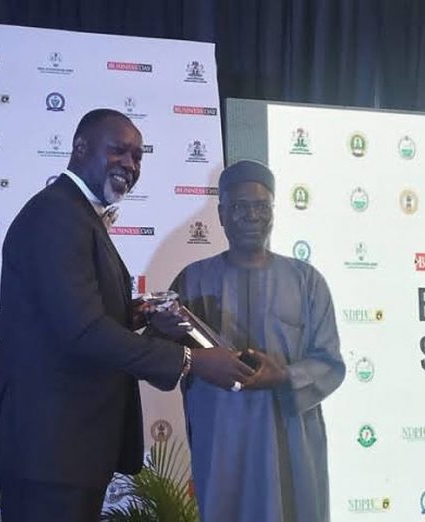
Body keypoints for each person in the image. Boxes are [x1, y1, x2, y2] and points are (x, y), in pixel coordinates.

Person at [0, 109, 254, 522]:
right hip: (47, 447)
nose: (130, 164)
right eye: (119, 150)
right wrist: (192, 360)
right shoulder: (57, 215)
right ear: (80, 147)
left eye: (138, 156)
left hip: (65, 448)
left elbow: (68, 315)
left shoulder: (78, 215)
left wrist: (137, 315)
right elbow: (82, 331)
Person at [164, 160, 346, 522]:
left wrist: (284, 376)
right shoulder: (192, 281)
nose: (251, 216)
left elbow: (330, 363)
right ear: (221, 214)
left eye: (261, 206)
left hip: (290, 442)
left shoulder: (306, 281)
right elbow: (165, 356)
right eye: (239, 207)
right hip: (221, 438)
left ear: (273, 211)